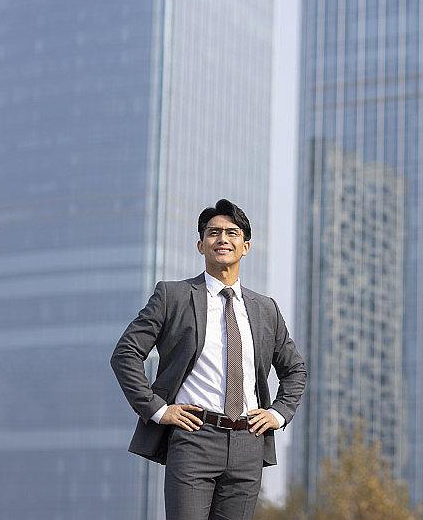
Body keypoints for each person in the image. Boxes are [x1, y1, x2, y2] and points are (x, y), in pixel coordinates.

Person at [111, 199, 306, 520]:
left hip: (248, 443)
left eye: (232, 233)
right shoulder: (172, 296)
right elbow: (125, 353)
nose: (222, 239)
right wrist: (157, 409)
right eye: (213, 233)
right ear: (201, 245)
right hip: (193, 438)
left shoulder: (266, 308)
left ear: (246, 247)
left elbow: (295, 369)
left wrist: (278, 413)